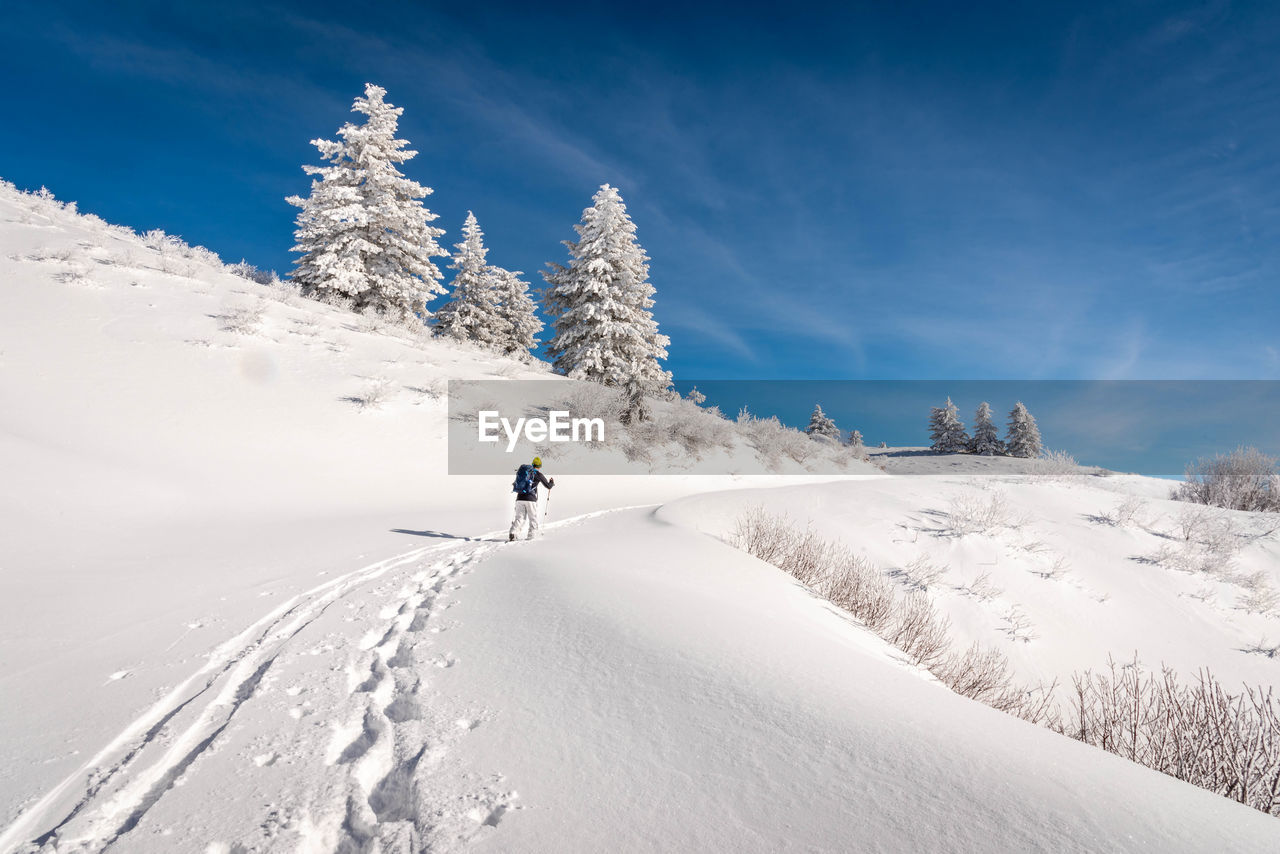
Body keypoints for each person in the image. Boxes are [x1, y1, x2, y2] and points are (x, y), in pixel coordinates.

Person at [510, 456, 554, 541]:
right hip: (531, 499)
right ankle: (532, 536)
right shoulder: (538, 474)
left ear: (532, 464)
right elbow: (548, 486)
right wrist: (551, 482)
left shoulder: (525, 472)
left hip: (519, 498)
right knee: (532, 518)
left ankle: (513, 533)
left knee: (519, 517)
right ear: (540, 466)